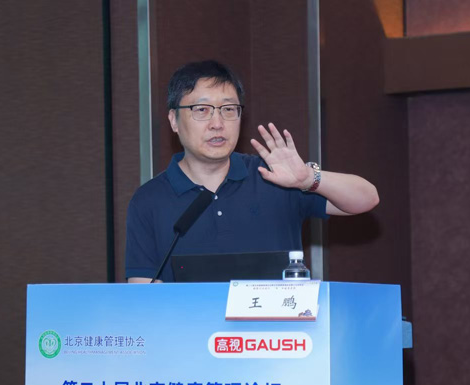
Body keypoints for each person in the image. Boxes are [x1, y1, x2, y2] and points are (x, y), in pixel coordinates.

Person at [126, 60, 379, 283]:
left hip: (277, 325)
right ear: (174, 120)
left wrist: (307, 178)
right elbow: (142, 291)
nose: (217, 123)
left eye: (228, 109)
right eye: (202, 110)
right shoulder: (149, 200)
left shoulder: (273, 177)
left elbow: (367, 199)